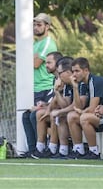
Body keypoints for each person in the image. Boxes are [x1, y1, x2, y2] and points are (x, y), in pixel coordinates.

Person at [69, 57, 103, 159]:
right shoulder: (82, 83)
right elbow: (78, 106)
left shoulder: (95, 81)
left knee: (84, 118)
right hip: (98, 115)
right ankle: (79, 150)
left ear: (86, 70)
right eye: (73, 71)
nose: (74, 74)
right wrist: (75, 87)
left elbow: (91, 108)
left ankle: (94, 152)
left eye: (77, 71)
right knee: (71, 116)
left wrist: (82, 111)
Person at [22, 13, 57, 155]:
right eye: (34, 25)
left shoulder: (48, 42)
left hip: (45, 88)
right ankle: (32, 151)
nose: (35, 28)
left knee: (34, 116)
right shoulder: (35, 44)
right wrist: (32, 57)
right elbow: (26, 61)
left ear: (47, 26)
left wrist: (33, 58)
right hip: (35, 88)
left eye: (39, 25)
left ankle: (42, 149)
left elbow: (35, 64)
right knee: (26, 116)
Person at [30, 51, 63, 158]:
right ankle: (39, 148)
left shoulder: (64, 78)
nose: (46, 65)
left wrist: (48, 108)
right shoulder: (55, 79)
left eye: (49, 63)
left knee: (53, 113)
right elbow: (55, 100)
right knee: (38, 113)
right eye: (46, 63)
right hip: (60, 109)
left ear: (58, 63)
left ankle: (52, 148)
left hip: (65, 111)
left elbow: (62, 102)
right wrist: (45, 105)